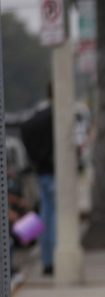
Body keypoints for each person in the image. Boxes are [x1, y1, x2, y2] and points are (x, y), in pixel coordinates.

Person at [20, 88, 55, 276]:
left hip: (41, 172)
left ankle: (47, 260)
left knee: (44, 215)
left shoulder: (36, 117)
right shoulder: (54, 117)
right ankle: (54, 259)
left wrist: (37, 158)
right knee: (55, 217)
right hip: (54, 172)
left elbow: (25, 129)